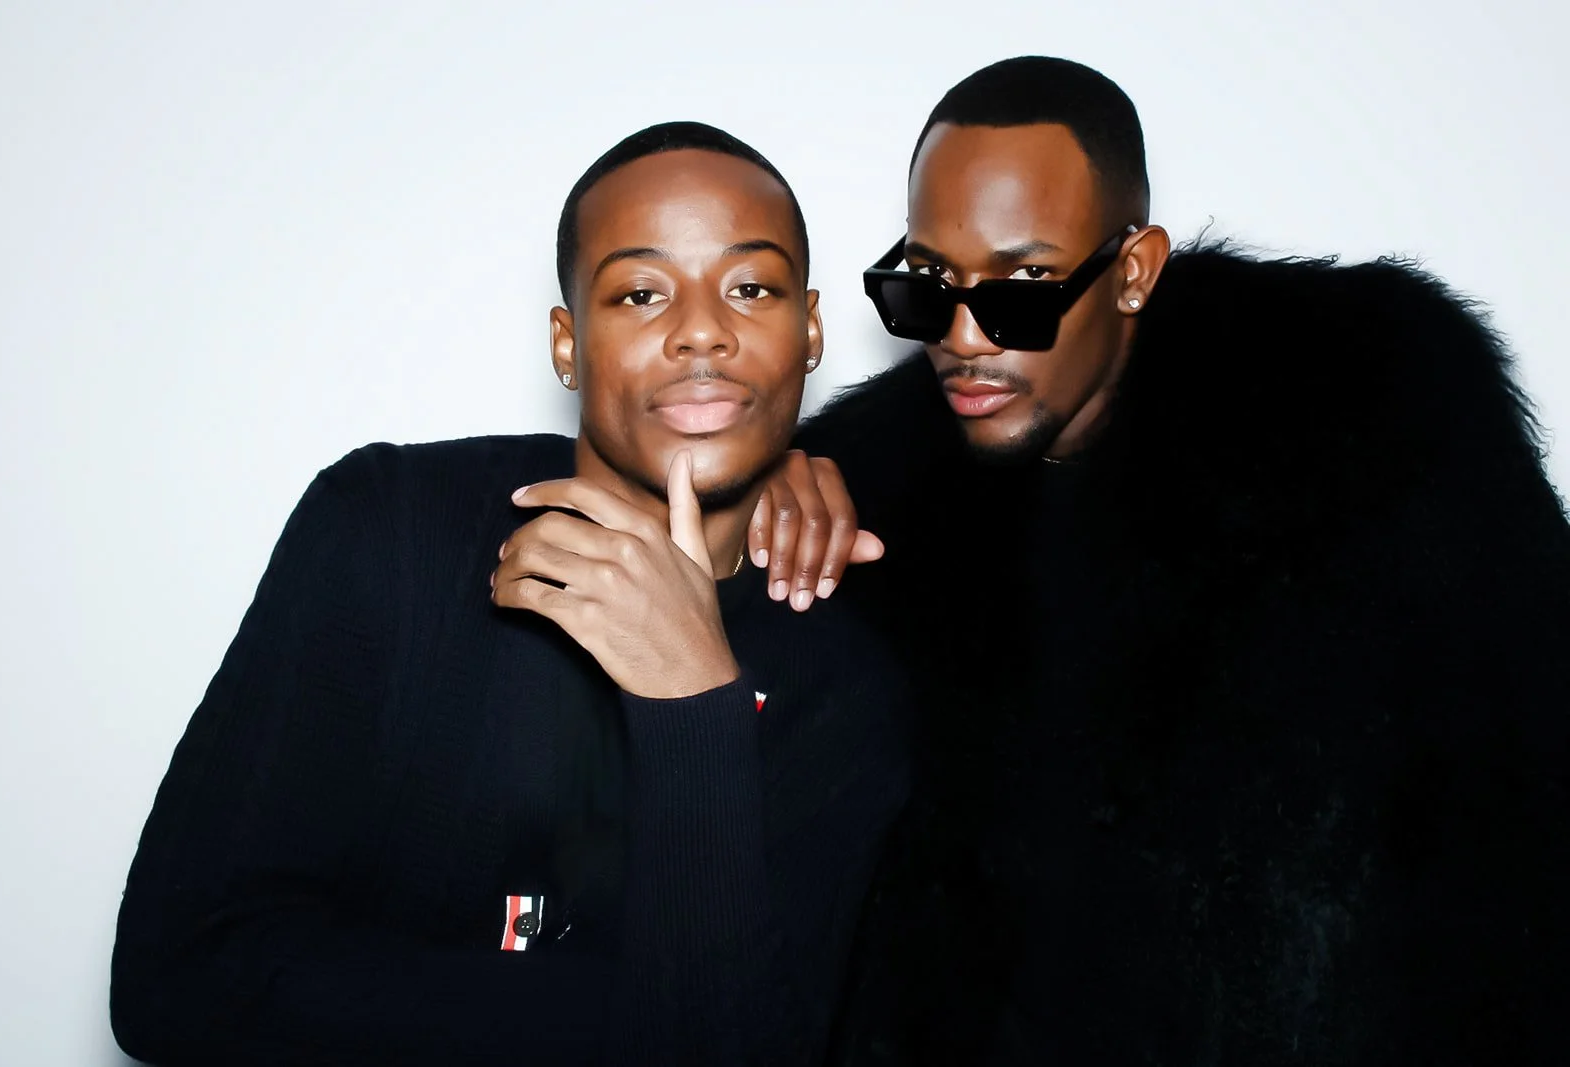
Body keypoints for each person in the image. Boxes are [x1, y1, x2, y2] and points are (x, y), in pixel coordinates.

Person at [774, 57, 1570, 1065]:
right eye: (929, 284)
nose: (963, 339)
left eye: (1025, 286)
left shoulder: (1378, 424)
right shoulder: (877, 512)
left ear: (1134, 270)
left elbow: (1529, 798)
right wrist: (760, 491)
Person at [110, 120, 907, 1067]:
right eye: (640, 292)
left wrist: (694, 695)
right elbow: (178, 975)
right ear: (568, 345)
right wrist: (634, 1022)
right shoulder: (392, 531)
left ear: (809, 332)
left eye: (751, 287)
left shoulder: (855, 673)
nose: (702, 329)